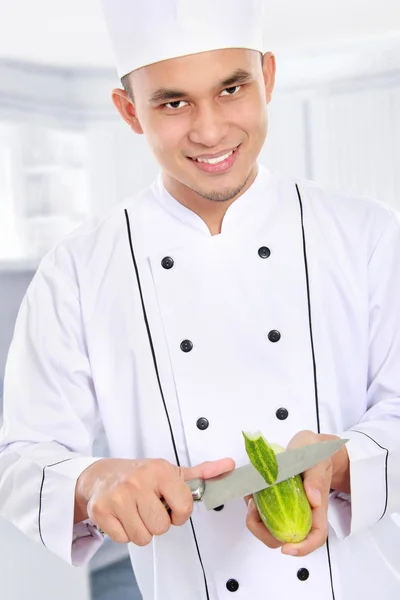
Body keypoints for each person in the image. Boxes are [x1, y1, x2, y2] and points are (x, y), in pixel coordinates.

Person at [0, 0, 399, 598]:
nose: (210, 131)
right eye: (173, 102)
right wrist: (91, 482)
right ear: (129, 111)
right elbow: (22, 459)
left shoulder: (370, 237)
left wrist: (343, 464)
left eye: (232, 88)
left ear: (266, 77)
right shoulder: (78, 269)